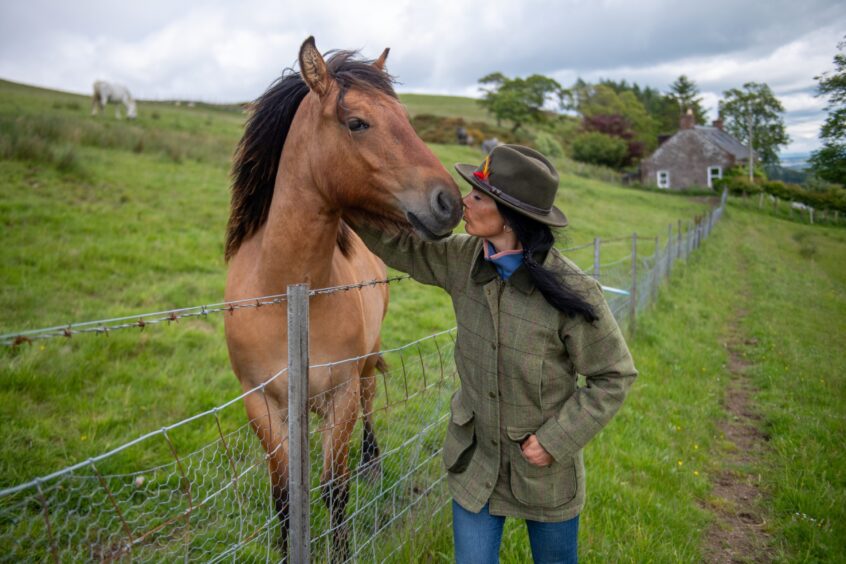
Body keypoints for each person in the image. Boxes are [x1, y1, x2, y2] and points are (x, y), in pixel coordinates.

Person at [352, 145, 637, 563]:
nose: (464, 201)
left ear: (510, 215)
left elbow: (614, 376)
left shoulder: (573, 291)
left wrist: (555, 440)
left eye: (479, 196)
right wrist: (343, 201)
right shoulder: (461, 259)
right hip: (476, 465)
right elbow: (404, 249)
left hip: (545, 472)